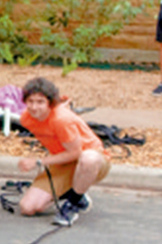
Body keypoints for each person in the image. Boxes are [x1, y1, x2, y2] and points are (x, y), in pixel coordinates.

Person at [15, 77, 111, 226]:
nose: (34, 107)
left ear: (50, 103)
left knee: (88, 158)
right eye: (30, 101)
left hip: (92, 160)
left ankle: (72, 204)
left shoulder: (61, 119)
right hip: (64, 161)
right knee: (28, 208)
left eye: (40, 102)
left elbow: (76, 153)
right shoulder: (26, 119)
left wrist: (38, 162)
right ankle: (76, 192)